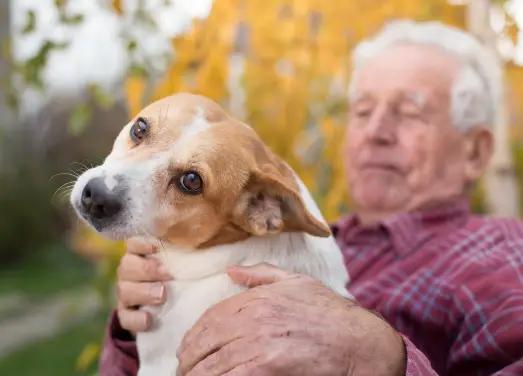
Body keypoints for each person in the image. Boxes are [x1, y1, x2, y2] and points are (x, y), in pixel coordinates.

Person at [99, 20, 523, 375]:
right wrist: (139, 321)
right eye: (361, 110)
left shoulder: (501, 255)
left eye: (409, 112)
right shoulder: (284, 236)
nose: (375, 131)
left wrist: (380, 358)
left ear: (476, 151)